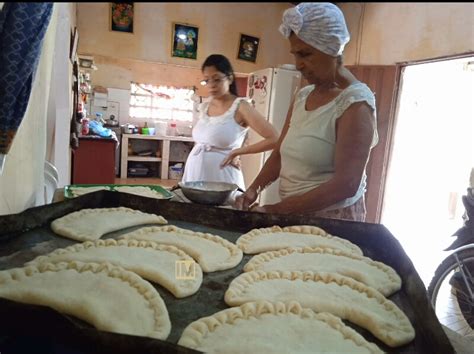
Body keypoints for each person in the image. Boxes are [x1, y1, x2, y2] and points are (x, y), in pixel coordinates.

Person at [235, 3, 378, 222]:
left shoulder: (355, 104)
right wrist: (254, 189)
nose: (299, 65)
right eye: (295, 54)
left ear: (331, 48)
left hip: (332, 219)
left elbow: (346, 185)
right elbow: (280, 153)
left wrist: (278, 210)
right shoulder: (303, 96)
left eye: (305, 54)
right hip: (293, 211)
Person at [182, 54, 278, 201]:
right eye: (207, 80)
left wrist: (238, 152)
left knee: (223, 215)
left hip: (222, 177)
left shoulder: (241, 106)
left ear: (230, 78)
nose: (211, 85)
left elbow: (274, 138)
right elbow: (205, 139)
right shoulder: (205, 106)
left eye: (217, 79)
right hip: (195, 172)